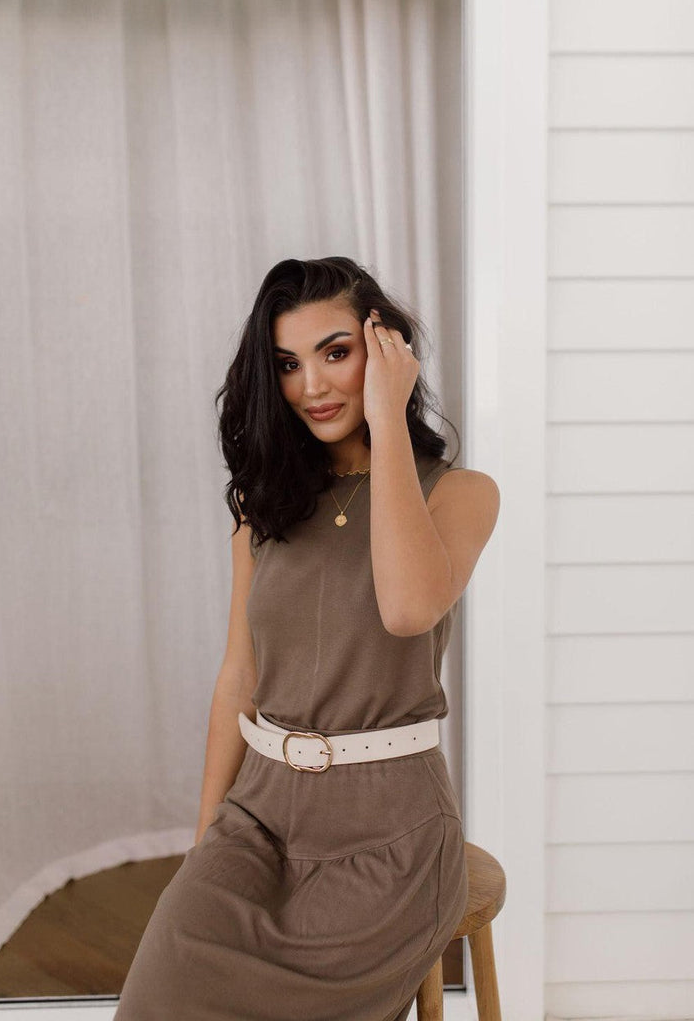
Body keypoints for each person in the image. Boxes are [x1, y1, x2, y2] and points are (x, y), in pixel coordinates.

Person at [113, 256, 500, 1021]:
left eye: (335, 352)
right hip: (258, 818)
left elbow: (406, 610)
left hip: (389, 833)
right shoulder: (265, 509)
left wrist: (386, 422)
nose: (312, 386)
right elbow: (238, 677)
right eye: (287, 364)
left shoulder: (459, 494)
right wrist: (205, 849)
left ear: (385, 352)